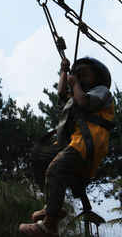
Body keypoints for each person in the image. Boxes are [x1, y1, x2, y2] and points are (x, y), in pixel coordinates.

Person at [19, 57, 115, 237]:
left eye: (85, 76)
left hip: (89, 143)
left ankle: (50, 225)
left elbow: (84, 102)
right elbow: (63, 93)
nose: (80, 79)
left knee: (55, 170)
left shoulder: (101, 92)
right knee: (39, 158)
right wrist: (64, 71)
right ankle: (53, 205)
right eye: (78, 76)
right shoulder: (76, 94)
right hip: (74, 142)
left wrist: (76, 84)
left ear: (99, 78)